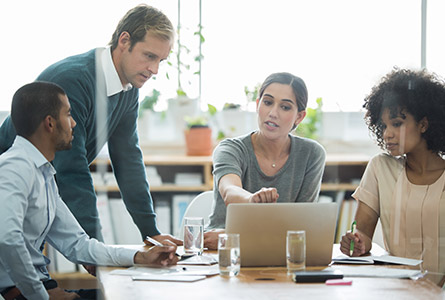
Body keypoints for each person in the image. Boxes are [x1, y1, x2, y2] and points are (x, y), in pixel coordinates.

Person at [0, 4, 181, 245]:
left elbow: (128, 160)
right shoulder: (74, 80)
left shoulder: (128, 89)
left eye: (161, 60)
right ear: (124, 41)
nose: (155, 70)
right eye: (149, 56)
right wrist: (93, 245)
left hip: (39, 190)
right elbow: (71, 168)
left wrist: (151, 233)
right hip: (10, 188)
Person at [0, 82, 179, 300]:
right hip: (24, 292)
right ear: (50, 123)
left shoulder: (42, 172)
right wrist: (41, 297)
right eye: (68, 114)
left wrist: (141, 256)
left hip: (40, 287)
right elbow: (7, 237)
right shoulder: (14, 168)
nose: (74, 123)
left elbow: (78, 244)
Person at [340, 68, 445, 284]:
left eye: (397, 123)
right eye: (384, 125)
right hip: (398, 289)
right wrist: (357, 242)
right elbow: (363, 232)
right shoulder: (380, 169)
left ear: (423, 124)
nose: (387, 133)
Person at [204, 72, 326, 249]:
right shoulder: (230, 149)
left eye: (285, 107)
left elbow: (301, 225)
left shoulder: (312, 154)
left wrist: (240, 237)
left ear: (299, 117)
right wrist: (252, 201)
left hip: (278, 250)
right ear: (257, 104)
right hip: (223, 249)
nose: (273, 113)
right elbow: (230, 191)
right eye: (267, 103)